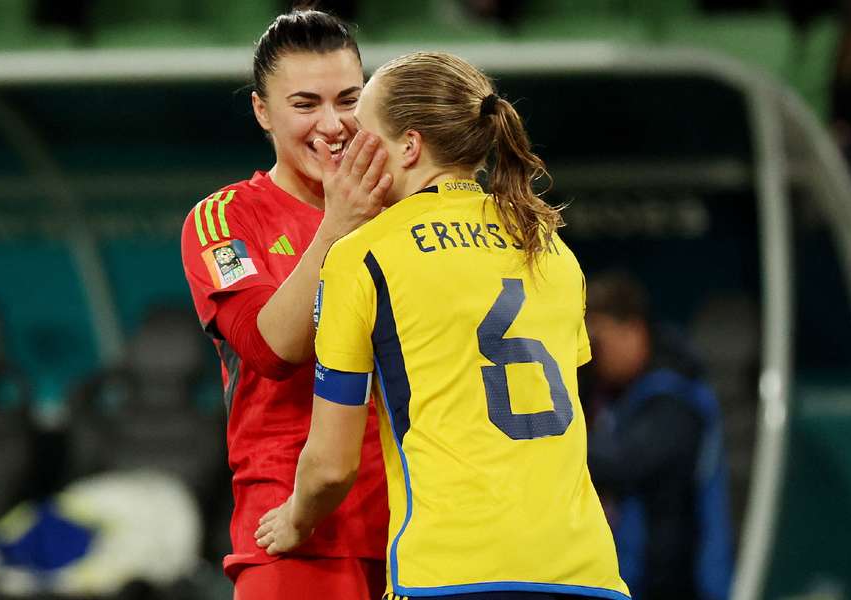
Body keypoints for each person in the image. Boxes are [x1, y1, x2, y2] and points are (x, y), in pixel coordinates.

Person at [255, 51, 630, 600]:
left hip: (449, 575)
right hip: (586, 574)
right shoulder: (551, 249)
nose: (348, 150)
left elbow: (331, 467)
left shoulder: (365, 257)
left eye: (363, 135)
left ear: (408, 147)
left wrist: (296, 519)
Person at [179, 9, 391, 600]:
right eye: (305, 105)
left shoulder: (405, 208)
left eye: (349, 98)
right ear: (262, 111)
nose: (333, 124)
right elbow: (269, 347)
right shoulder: (225, 219)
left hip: (417, 529)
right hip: (292, 536)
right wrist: (337, 225)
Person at [582, 272, 733, 600]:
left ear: (633, 331)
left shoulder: (673, 398)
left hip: (676, 584)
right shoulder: (620, 396)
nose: (592, 355)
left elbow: (624, 463)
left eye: (598, 342)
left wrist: (553, 443)